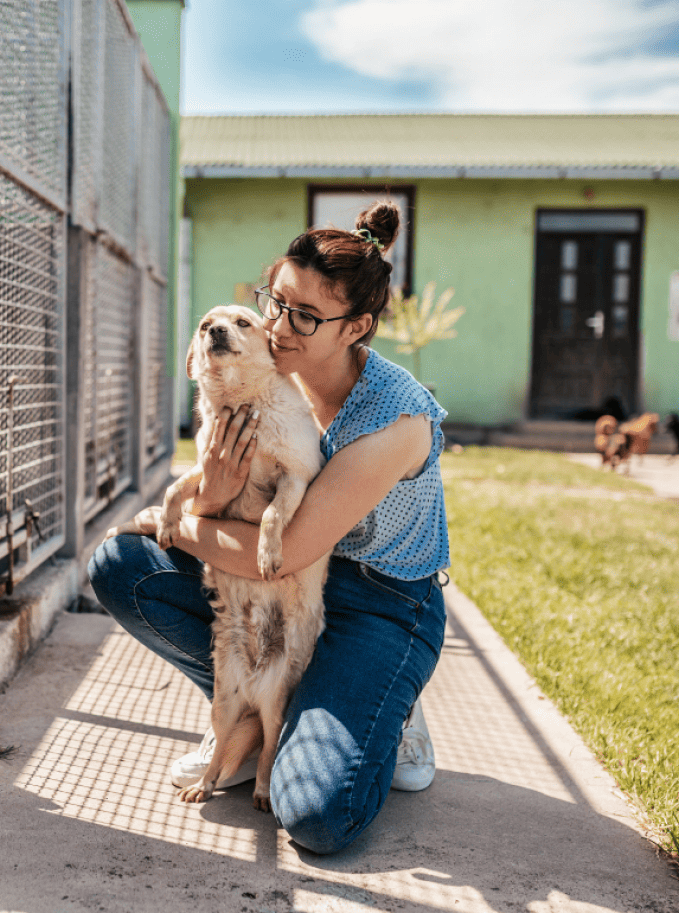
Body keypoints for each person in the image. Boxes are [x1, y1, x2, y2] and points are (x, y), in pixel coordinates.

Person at [88, 200, 449, 855]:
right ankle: (249, 713)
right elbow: (229, 497)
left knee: (315, 813)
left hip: (379, 602)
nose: (279, 326)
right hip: (284, 590)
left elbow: (274, 557)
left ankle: (386, 707)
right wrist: (207, 499)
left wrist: (174, 521)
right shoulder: (265, 369)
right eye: (275, 300)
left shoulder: (394, 422)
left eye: (305, 315)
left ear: (357, 326)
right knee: (118, 562)